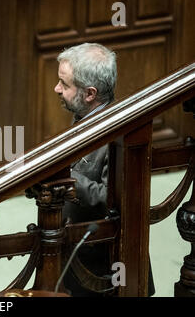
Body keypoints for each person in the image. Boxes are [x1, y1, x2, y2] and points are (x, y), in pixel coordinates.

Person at [54, 43, 154, 296]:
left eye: (64, 84)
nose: (57, 89)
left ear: (90, 93)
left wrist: (64, 175)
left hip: (102, 268)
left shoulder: (123, 138)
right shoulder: (85, 117)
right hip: (71, 252)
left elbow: (116, 200)